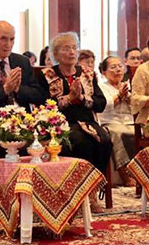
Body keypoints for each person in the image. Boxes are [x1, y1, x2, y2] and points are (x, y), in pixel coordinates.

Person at [37, 32, 112, 212]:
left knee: (105, 141)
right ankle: (78, 193)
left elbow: (101, 103)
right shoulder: (46, 75)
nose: (71, 52)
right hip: (61, 124)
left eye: (74, 48)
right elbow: (44, 105)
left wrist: (82, 98)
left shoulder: (87, 74)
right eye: (66, 49)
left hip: (87, 121)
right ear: (56, 53)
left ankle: (92, 190)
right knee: (80, 142)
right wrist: (69, 98)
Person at [97, 56, 136, 186]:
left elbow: (137, 107)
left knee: (141, 133)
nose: (118, 70)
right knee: (117, 133)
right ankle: (124, 174)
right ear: (104, 72)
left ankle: (141, 173)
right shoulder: (101, 87)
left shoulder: (129, 85)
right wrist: (119, 96)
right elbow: (103, 107)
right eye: (113, 67)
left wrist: (128, 97)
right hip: (110, 121)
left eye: (120, 66)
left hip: (129, 121)